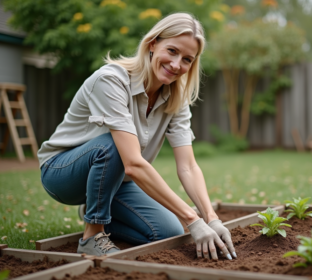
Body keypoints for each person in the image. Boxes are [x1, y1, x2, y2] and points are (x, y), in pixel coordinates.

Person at [37, 12, 236, 259]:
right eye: (172, 51)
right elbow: (131, 162)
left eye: (187, 59)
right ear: (153, 44)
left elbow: (188, 166)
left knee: (168, 231)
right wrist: (193, 220)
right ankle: (92, 233)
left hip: (117, 181)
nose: (176, 65)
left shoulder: (176, 97)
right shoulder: (111, 80)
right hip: (62, 173)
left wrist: (211, 218)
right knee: (111, 145)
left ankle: (98, 211)